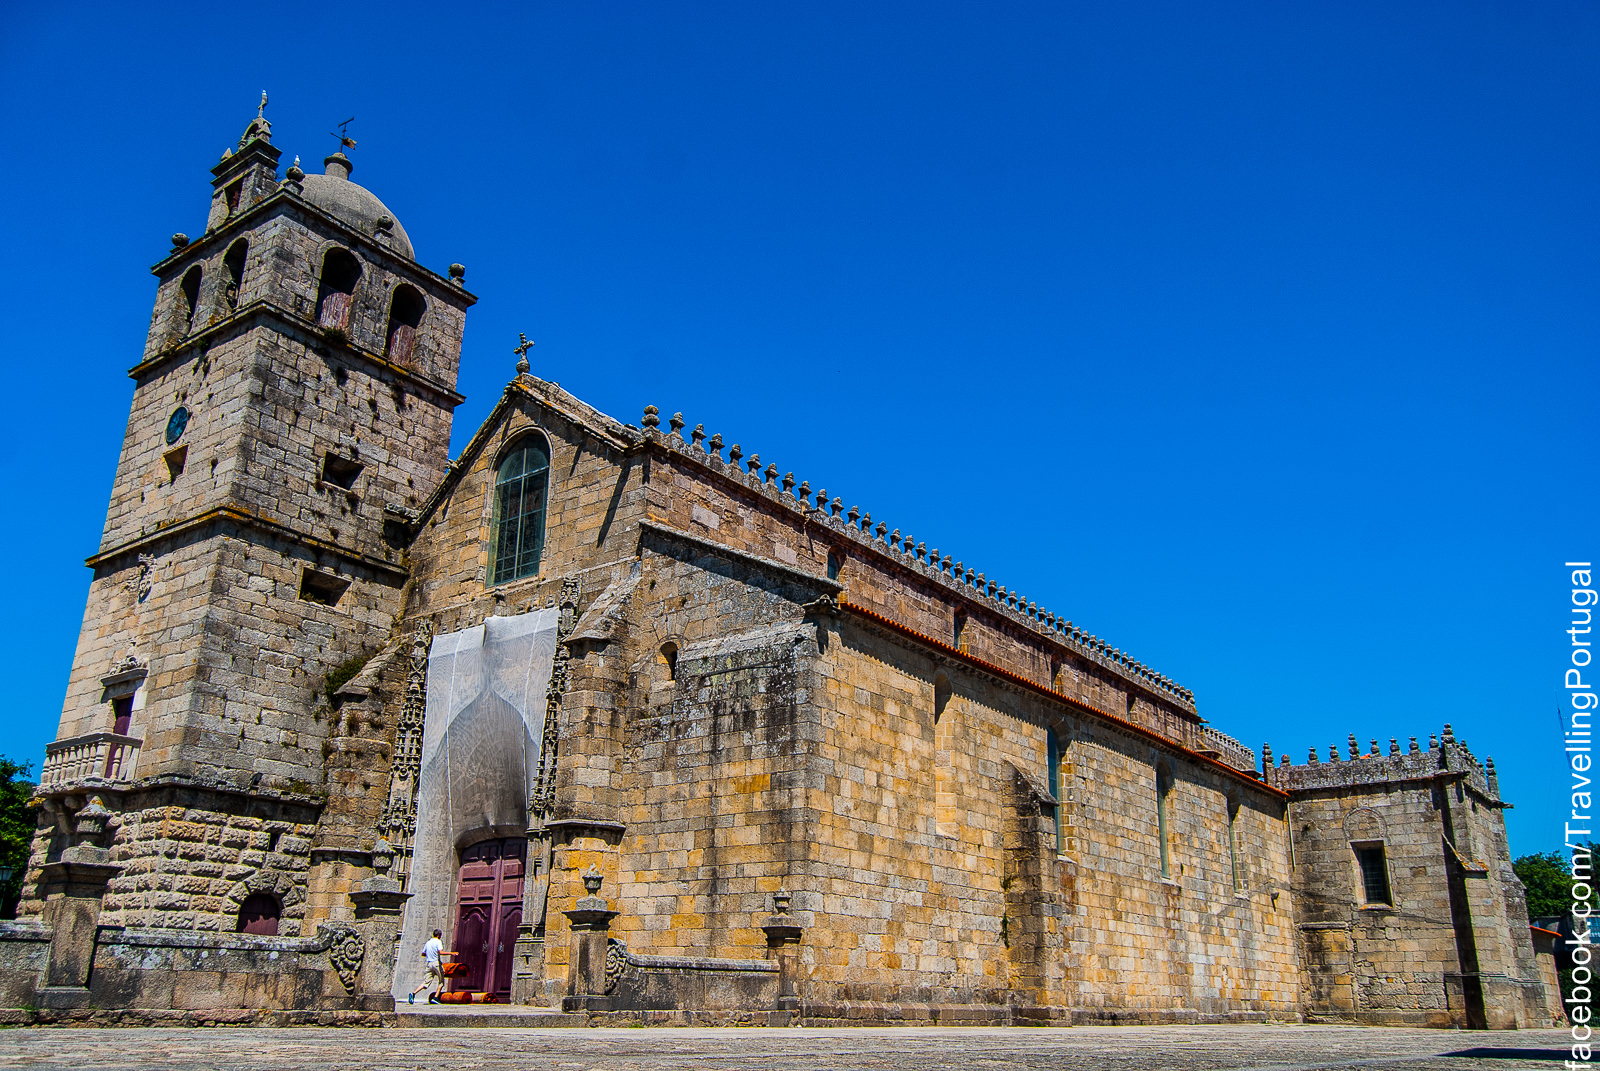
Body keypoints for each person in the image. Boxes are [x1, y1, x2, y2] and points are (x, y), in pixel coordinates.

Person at [408, 929, 454, 1004]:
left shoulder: (428, 942)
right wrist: (451, 953)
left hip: (429, 964)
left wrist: (430, 954)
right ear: (439, 935)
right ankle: (435, 998)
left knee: (426, 982)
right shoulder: (438, 941)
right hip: (436, 963)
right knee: (441, 982)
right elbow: (441, 952)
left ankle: (413, 994)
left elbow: (423, 954)